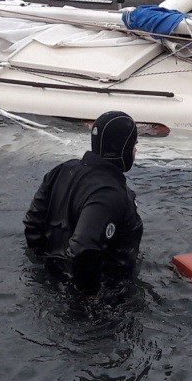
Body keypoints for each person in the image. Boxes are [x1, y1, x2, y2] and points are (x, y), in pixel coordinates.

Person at [24, 111, 144, 297]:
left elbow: (33, 225)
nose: (135, 151)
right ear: (122, 148)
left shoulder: (62, 170)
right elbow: (84, 248)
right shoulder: (110, 194)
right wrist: (89, 299)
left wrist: (43, 270)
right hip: (98, 301)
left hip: (48, 282)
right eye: (134, 145)